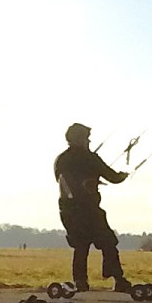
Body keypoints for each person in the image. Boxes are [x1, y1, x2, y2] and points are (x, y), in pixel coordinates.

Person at [53, 122, 131, 291]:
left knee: (80, 246)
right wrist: (123, 175)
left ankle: (80, 282)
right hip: (89, 209)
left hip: (67, 210)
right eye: (86, 138)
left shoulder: (61, 160)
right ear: (79, 139)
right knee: (108, 242)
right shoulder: (90, 158)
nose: (89, 142)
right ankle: (118, 279)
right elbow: (113, 177)